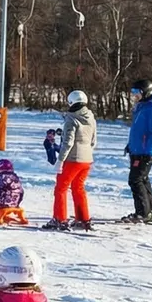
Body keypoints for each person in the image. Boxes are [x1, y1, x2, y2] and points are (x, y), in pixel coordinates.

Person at [45, 90, 96, 230]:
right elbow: (93, 141)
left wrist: (60, 160)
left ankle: (59, 219)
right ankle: (83, 219)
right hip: (87, 160)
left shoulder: (71, 119)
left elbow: (68, 143)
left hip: (72, 160)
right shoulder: (91, 117)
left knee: (60, 188)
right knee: (78, 188)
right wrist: (86, 154)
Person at [123, 78, 152, 223]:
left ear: (145, 92)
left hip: (145, 152)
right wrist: (130, 145)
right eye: (132, 92)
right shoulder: (142, 107)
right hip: (137, 150)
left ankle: (142, 213)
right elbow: (138, 131)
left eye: (137, 92)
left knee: (135, 180)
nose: (134, 95)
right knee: (142, 179)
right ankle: (150, 211)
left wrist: (149, 152)